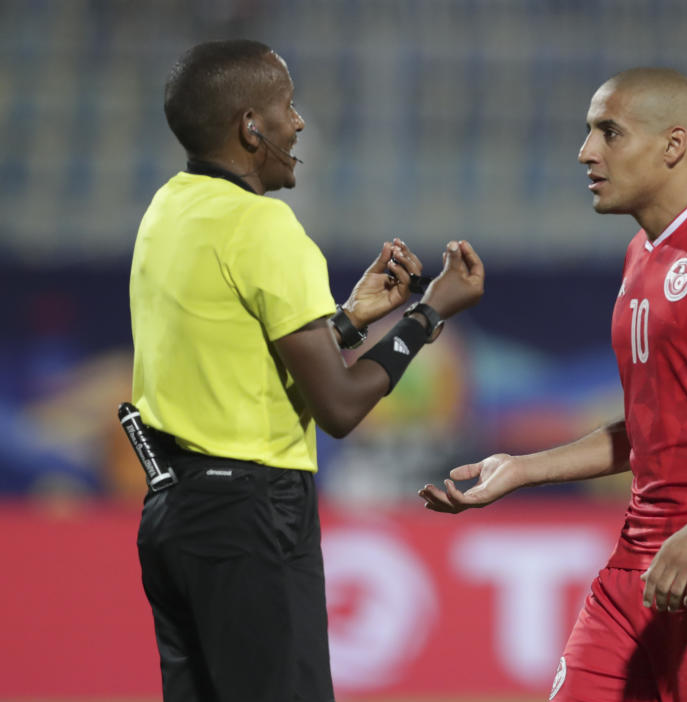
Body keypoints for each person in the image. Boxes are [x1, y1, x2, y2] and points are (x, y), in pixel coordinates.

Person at [420, 67, 687, 702]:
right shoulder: (642, 255)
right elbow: (652, 430)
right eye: (590, 132)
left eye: (609, 133)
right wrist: (523, 469)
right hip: (640, 562)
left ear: (673, 146)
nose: (586, 151)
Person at [130, 40, 484, 702]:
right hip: (249, 516)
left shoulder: (167, 211)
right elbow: (341, 407)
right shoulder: (266, 228)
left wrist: (347, 321)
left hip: (174, 514)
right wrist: (428, 314)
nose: (299, 123)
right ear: (250, 127)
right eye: (286, 107)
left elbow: (240, 355)